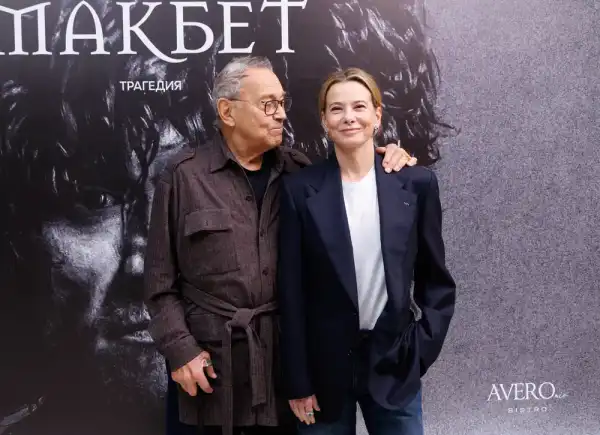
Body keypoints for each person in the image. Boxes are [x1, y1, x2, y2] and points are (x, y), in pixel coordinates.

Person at [143, 56, 415, 435]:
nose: (282, 115)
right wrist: (180, 349)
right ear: (227, 111)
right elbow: (159, 284)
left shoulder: (299, 172)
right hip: (209, 370)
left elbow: (354, 170)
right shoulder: (182, 177)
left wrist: (387, 156)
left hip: (284, 375)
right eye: (268, 104)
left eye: (282, 102)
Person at [277, 68, 456, 434]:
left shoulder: (416, 183)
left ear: (377, 114)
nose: (349, 117)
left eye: (359, 106)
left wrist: (419, 350)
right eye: (336, 108)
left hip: (394, 365)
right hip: (322, 371)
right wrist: (298, 380)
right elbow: (291, 294)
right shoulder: (299, 190)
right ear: (324, 120)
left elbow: (435, 280)